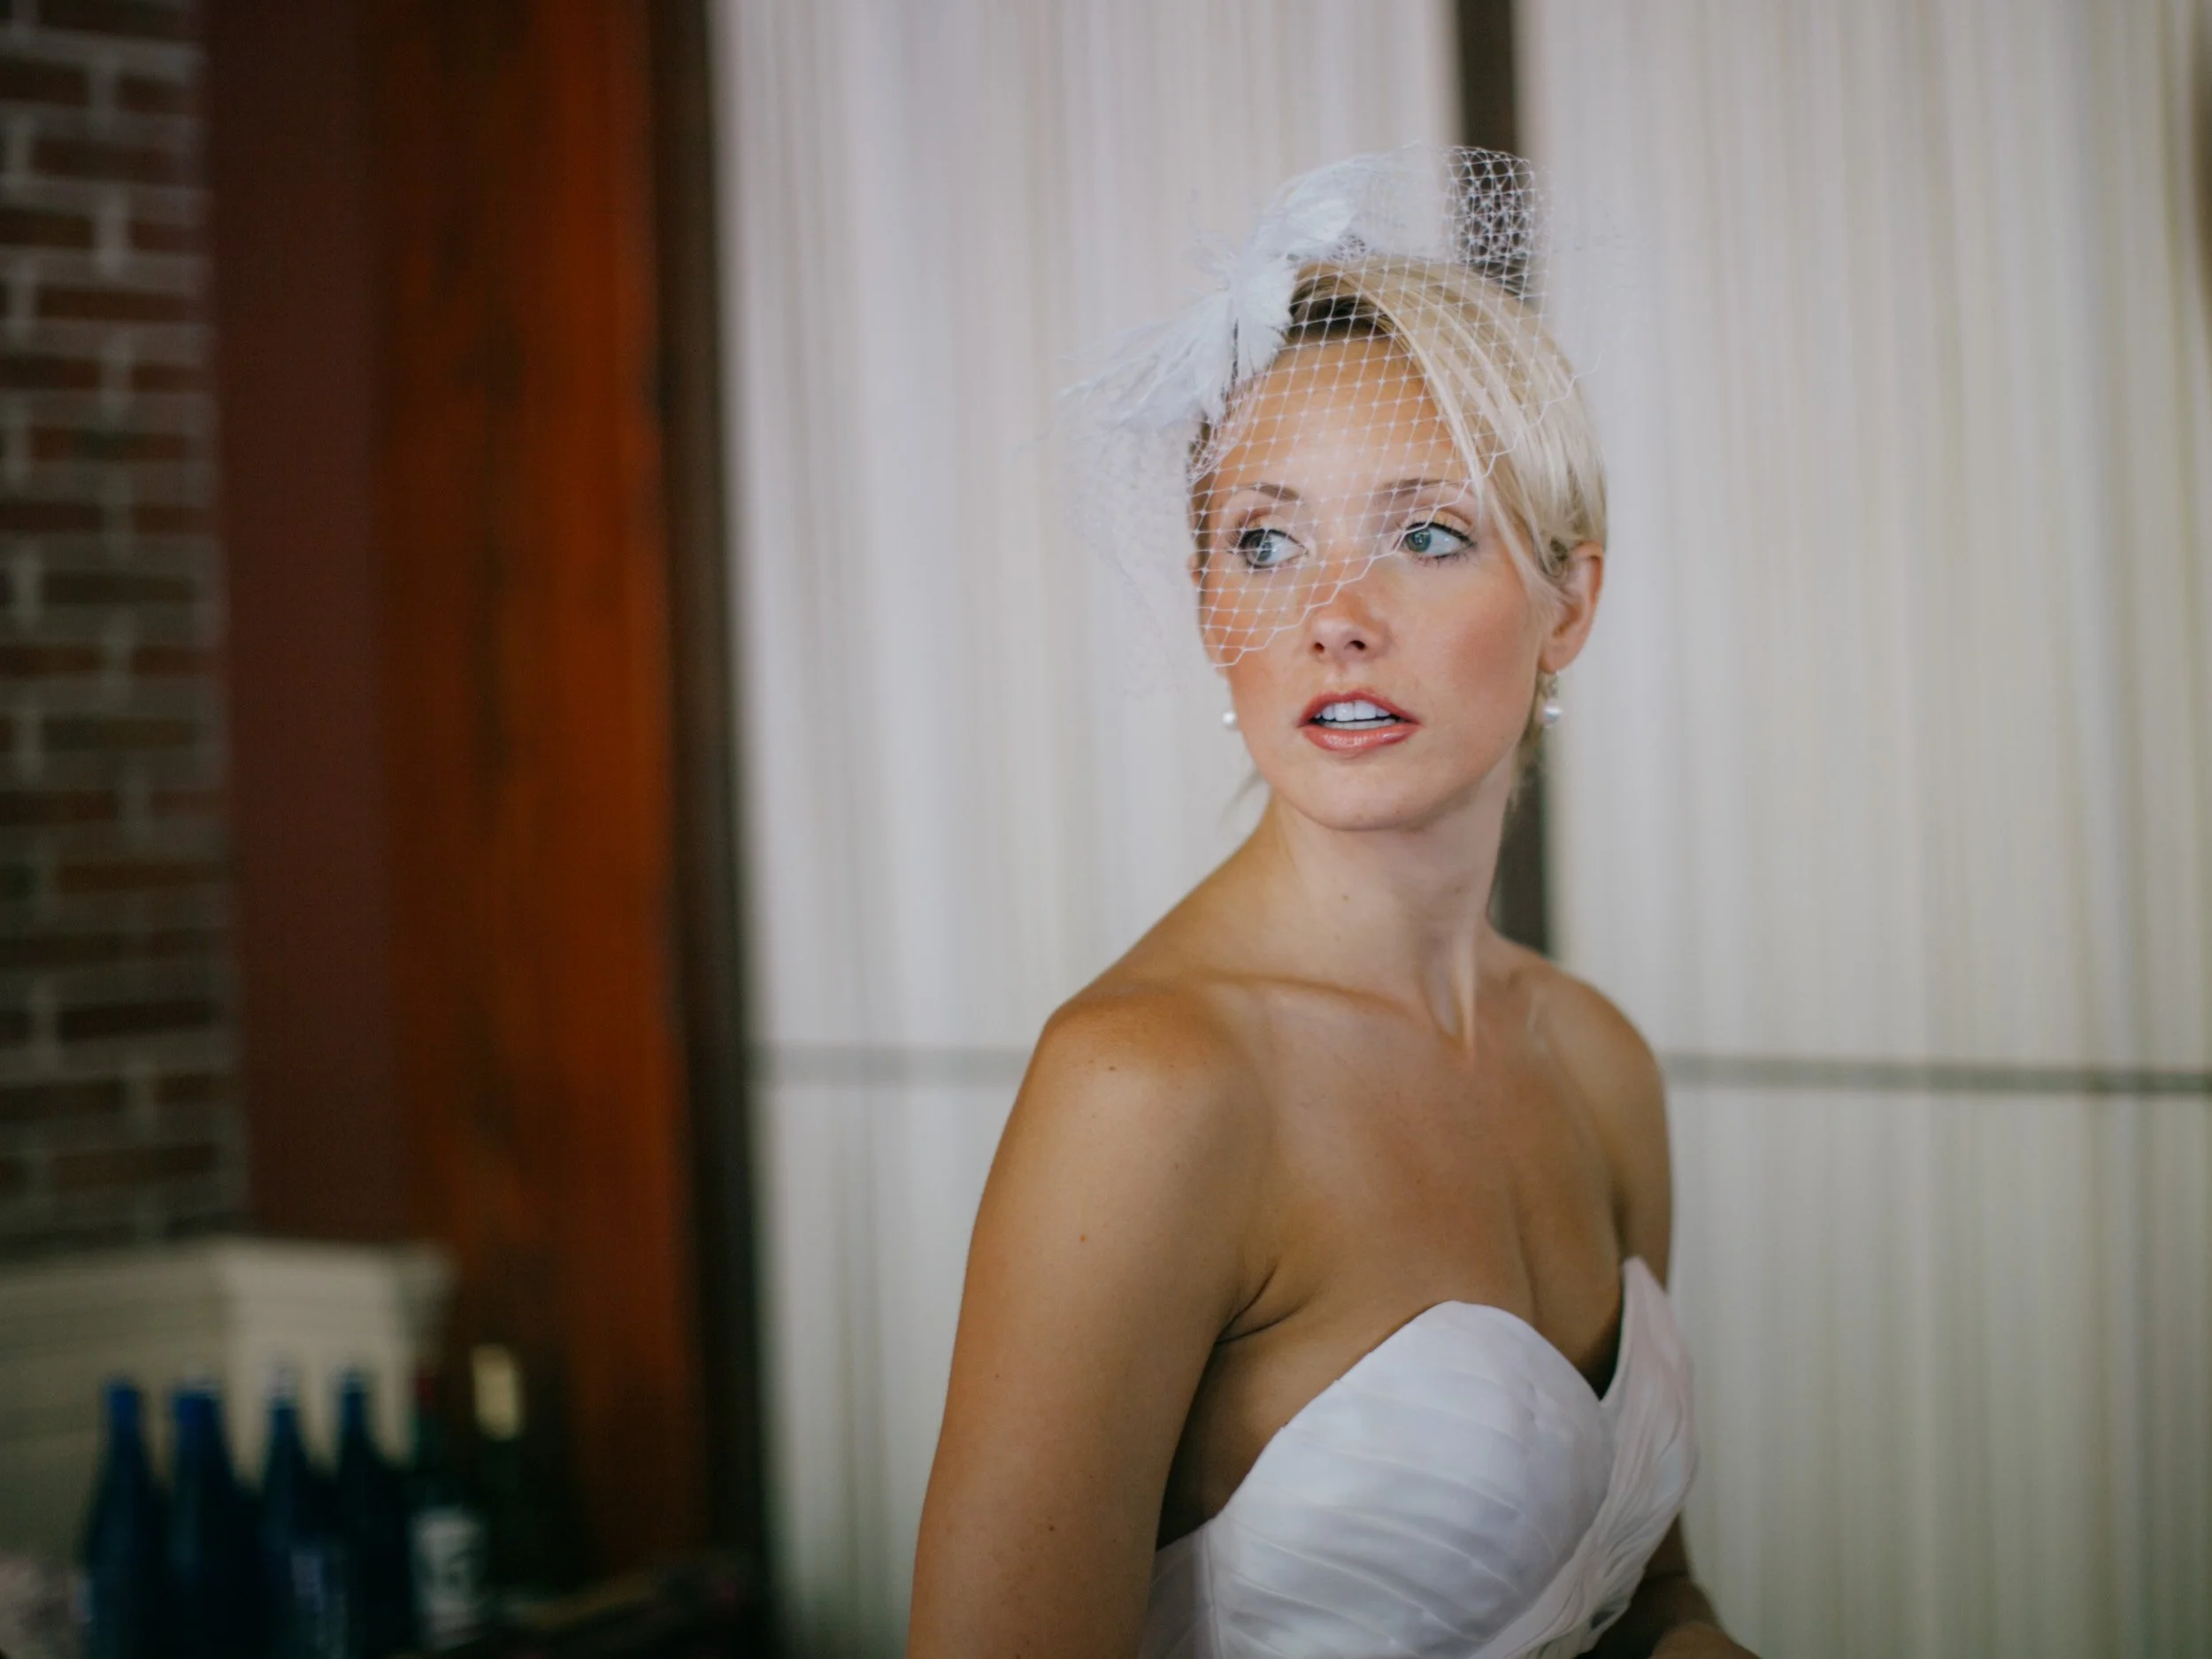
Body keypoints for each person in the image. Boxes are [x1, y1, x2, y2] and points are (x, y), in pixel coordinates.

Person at [906, 149, 1757, 1659]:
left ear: (1571, 599)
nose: (1335, 616)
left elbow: (1650, 1606)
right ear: (1207, 596)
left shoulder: (1600, 1063)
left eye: (1426, 533)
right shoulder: (1146, 1088)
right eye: (1266, 541)